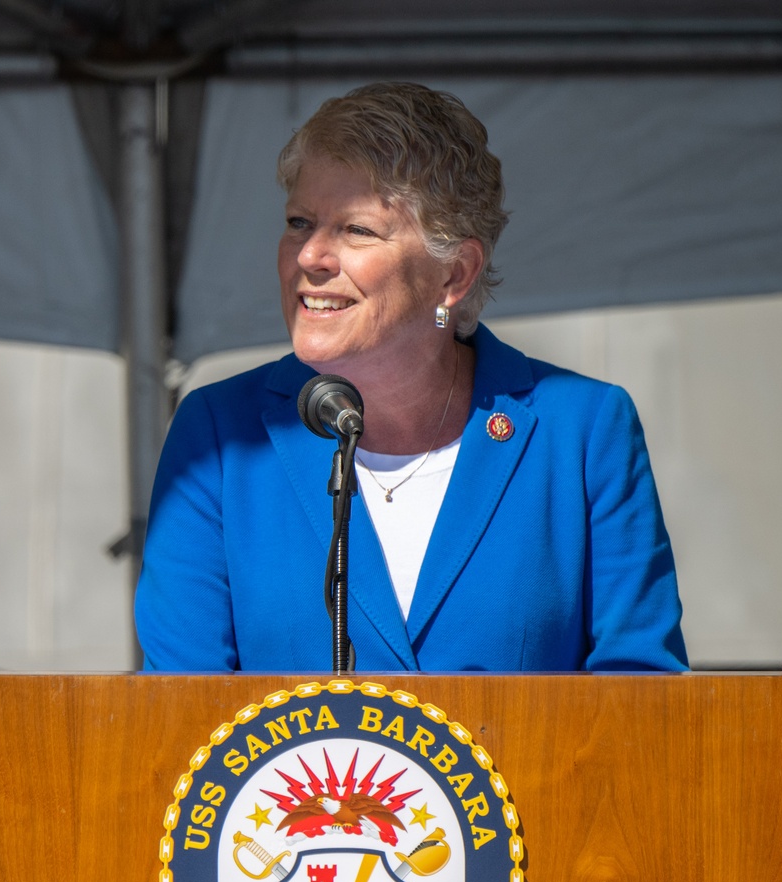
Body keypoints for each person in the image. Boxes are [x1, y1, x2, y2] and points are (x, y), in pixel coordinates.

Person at [135, 82, 687, 674]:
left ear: (454, 273)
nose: (310, 256)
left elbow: (643, 708)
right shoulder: (219, 435)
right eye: (300, 222)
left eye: (356, 230)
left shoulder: (581, 433)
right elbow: (178, 719)